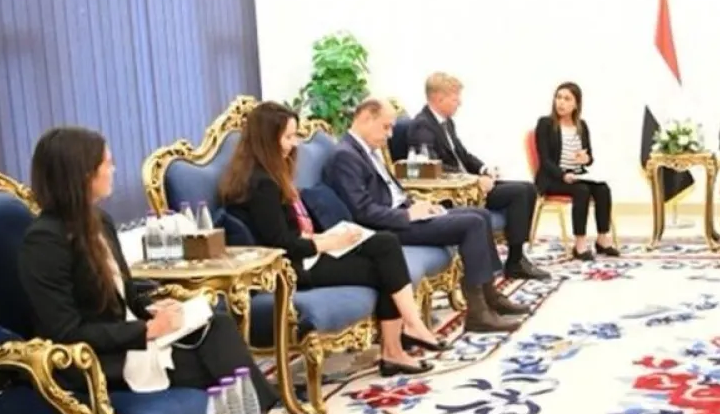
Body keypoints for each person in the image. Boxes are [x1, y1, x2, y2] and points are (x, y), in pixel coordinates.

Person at [19, 126, 277, 413]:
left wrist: (153, 307)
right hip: (93, 360)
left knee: (218, 324)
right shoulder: (44, 241)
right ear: (82, 174)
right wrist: (146, 330)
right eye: (107, 163)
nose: (113, 169)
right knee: (217, 360)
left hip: (129, 341)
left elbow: (124, 294)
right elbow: (66, 331)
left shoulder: (99, 221)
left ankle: (265, 411)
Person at [219, 101, 443, 376]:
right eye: (288, 137)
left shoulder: (271, 173)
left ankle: (403, 338)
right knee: (385, 266)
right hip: (292, 268)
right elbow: (281, 246)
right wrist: (326, 243)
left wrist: (325, 237)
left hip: (307, 251)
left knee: (384, 243)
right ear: (267, 138)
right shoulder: (261, 183)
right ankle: (399, 344)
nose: (294, 143)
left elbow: (287, 231)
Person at [325, 98, 531, 333]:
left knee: (480, 214)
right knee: (472, 223)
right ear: (366, 118)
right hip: (389, 227)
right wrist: (408, 215)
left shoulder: (367, 151)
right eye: (386, 126)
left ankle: (490, 296)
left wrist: (419, 204)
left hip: (403, 213)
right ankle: (478, 314)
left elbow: (392, 191)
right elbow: (362, 211)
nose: (390, 134)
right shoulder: (345, 155)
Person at [405, 72, 548, 280]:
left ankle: (517, 256)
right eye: (455, 98)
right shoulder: (422, 126)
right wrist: (474, 180)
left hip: (471, 184)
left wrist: (483, 169)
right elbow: (433, 170)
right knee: (518, 193)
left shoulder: (447, 123)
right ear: (439, 98)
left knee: (528, 189)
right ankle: (515, 262)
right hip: (457, 192)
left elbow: (462, 155)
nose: (459, 103)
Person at [533, 82, 619, 260]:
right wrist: (563, 175)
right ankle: (579, 244)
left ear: (576, 104)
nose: (561, 103)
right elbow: (545, 160)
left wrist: (586, 159)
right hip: (553, 178)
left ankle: (602, 239)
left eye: (567, 99)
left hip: (577, 175)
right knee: (582, 190)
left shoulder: (581, 126)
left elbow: (589, 157)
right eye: (558, 97)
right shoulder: (545, 123)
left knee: (603, 189)